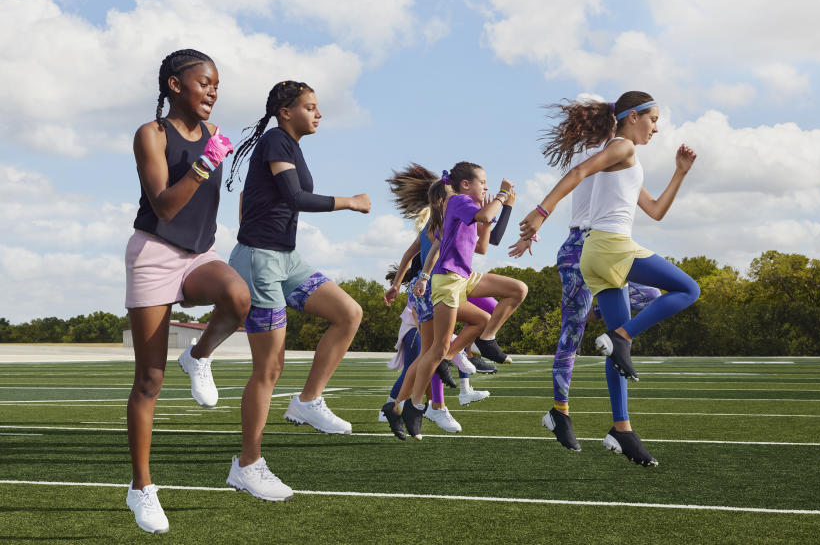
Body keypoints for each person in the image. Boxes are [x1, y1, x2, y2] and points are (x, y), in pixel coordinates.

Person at [518, 92, 699, 465]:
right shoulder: (619, 148)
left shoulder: (624, 158)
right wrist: (540, 213)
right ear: (631, 117)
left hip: (596, 257)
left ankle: (622, 427)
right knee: (687, 289)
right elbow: (579, 172)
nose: (657, 126)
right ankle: (616, 342)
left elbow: (655, 210)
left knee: (614, 351)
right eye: (652, 118)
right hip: (607, 247)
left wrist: (680, 172)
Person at [224, 80, 370, 500]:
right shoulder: (275, 139)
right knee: (268, 370)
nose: (318, 113)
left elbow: (267, 197)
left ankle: (307, 402)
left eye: (318, 107)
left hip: (286, 258)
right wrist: (351, 201)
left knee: (349, 314)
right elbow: (294, 196)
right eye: (310, 107)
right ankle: (247, 465)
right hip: (261, 262)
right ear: (286, 111)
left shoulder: (289, 146)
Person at [124, 49, 250, 534]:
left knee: (239, 296)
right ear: (176, 85)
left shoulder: (215, 137)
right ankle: (142, 489)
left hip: (198, 254)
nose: (213, 92)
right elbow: (165, 206)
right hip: (155, 252)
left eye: (217, 85)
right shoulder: (151, 135)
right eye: (205, 83)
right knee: (149, 381)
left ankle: (197, 357)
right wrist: (202, 166)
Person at [385, 162, 528, 440]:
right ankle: (416, 406)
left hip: (461, 277)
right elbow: (425, 249)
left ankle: (471, 348)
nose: (486, 187)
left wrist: (501, 210)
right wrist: (501, 196)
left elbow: (483, 245)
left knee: (513, 294)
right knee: (433, 351)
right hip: (444, 283)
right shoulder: (457, 203)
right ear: (464, 185)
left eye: (488, 183)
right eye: (482, 182)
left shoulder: (463, 212)